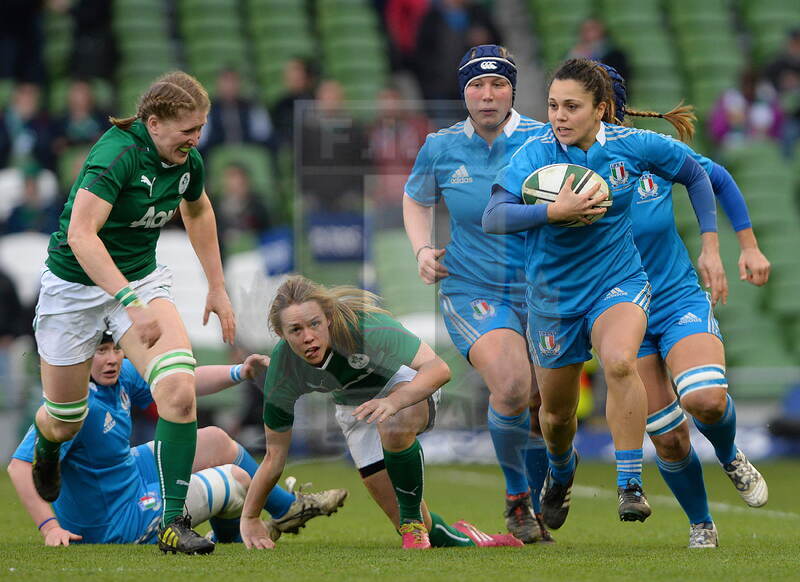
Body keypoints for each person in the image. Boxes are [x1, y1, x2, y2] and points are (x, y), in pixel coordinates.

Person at [483, 57, 724, 528]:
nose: (559, 116)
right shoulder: (533, 154)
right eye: (553, 105)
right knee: (555, 418)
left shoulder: (633, 146)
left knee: (619, 361)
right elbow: (494, 217)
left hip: (618, 283)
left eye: (572, 106)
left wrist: (711, 244)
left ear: (600, 109)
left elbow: (697, 174)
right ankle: (561, 469)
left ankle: (629, 483)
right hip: (553, 297)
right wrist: (553, 212)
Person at [31, 71, 236, 555]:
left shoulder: (187, 161)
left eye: (201, 128)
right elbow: (82, 235)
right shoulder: (117, 154)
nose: (196, 138)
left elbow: (199, 210)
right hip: (75, 287)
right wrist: (128, 304)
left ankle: (171, 522)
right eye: (188, 129)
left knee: (178, 391)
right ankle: (47, 443)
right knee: (66, 418)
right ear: (154, 122)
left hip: (141, 279)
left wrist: (218, 287)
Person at [600, 63, 770, 548]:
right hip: (618, 315)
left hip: (674, 299)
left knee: (706, 400)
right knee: (669, 438)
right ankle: (701, 524)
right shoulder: (560, 167)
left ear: (607, 107)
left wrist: (746, 246)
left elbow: (715, 177)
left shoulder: (649, 151)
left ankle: (731, 454)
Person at [238, 275, 523, 550]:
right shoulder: (282, 371)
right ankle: (464, 535)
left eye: (314, 324)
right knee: (425, 528)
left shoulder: (366, 327)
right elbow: (274, 456)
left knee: (394, 425)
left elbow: (438, 369)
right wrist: (250, 518)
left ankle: (412, 523)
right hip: (355, 409)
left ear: (328, 317)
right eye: (296, 330)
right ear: (281, 334)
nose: (308, 337)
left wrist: (394, 401)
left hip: (406, 383)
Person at [403, 44, 552, 543]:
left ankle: (548, 491)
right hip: (473, 288)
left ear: (513, 89)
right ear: (463, 92)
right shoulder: (440, 146)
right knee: (511, 385)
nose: (487, 95)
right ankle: (517, 501)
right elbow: (415, 198)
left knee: (546, 405)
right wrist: (423, 249)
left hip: (547, 290)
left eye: (498, 85)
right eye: (475, 86)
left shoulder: (546, 139)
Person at [7, 333, 347, 548]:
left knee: (216, 441)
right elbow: (20, 466)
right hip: (116, 523)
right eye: (100, 351)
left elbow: (181, 383)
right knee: (237, 480)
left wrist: (239, 373)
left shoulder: (119, 374)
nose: (111, 359)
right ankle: (234, 539)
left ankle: (286, 509)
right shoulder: (73, 406)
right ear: (80, 355)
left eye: (115, 349)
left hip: (127, 476)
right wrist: (50, 527)